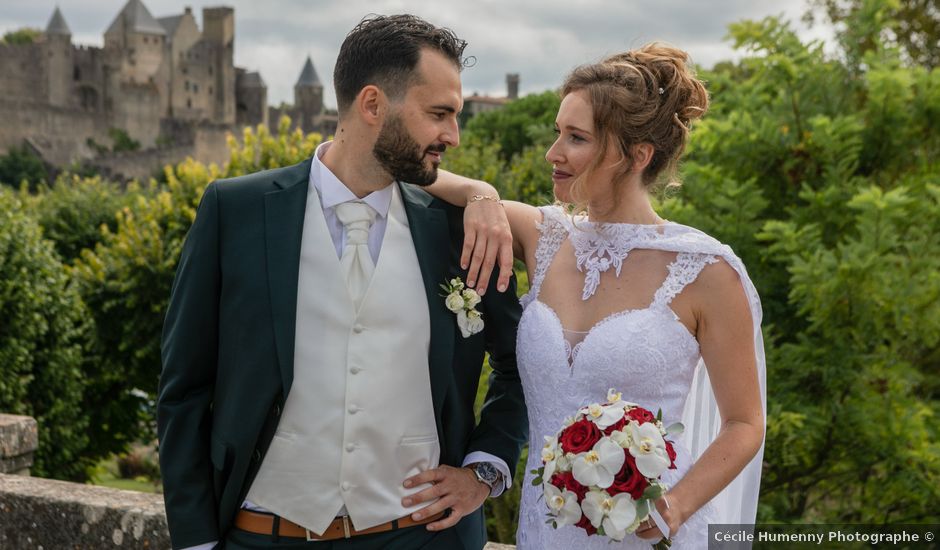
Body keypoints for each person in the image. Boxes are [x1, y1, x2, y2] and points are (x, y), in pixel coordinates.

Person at [156, 14, 527, 550]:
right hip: (266, 535)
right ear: (372, 105)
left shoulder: (459, 228)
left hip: (424, 538)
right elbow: (184, 388)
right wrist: (195, 541)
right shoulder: (235, 210)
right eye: (439, 114)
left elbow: (521, 364)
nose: (453, 135)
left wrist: (483, 470)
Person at [426, 43, 766, 548]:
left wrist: (677, 504)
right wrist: (483, 193)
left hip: (647, 531)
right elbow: (422, 174)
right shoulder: (540, 235)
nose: (553, 153)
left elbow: (744, 423)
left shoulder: (707, 272)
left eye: (576, 138)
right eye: (558, 132)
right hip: (544, 531)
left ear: (636, 156)